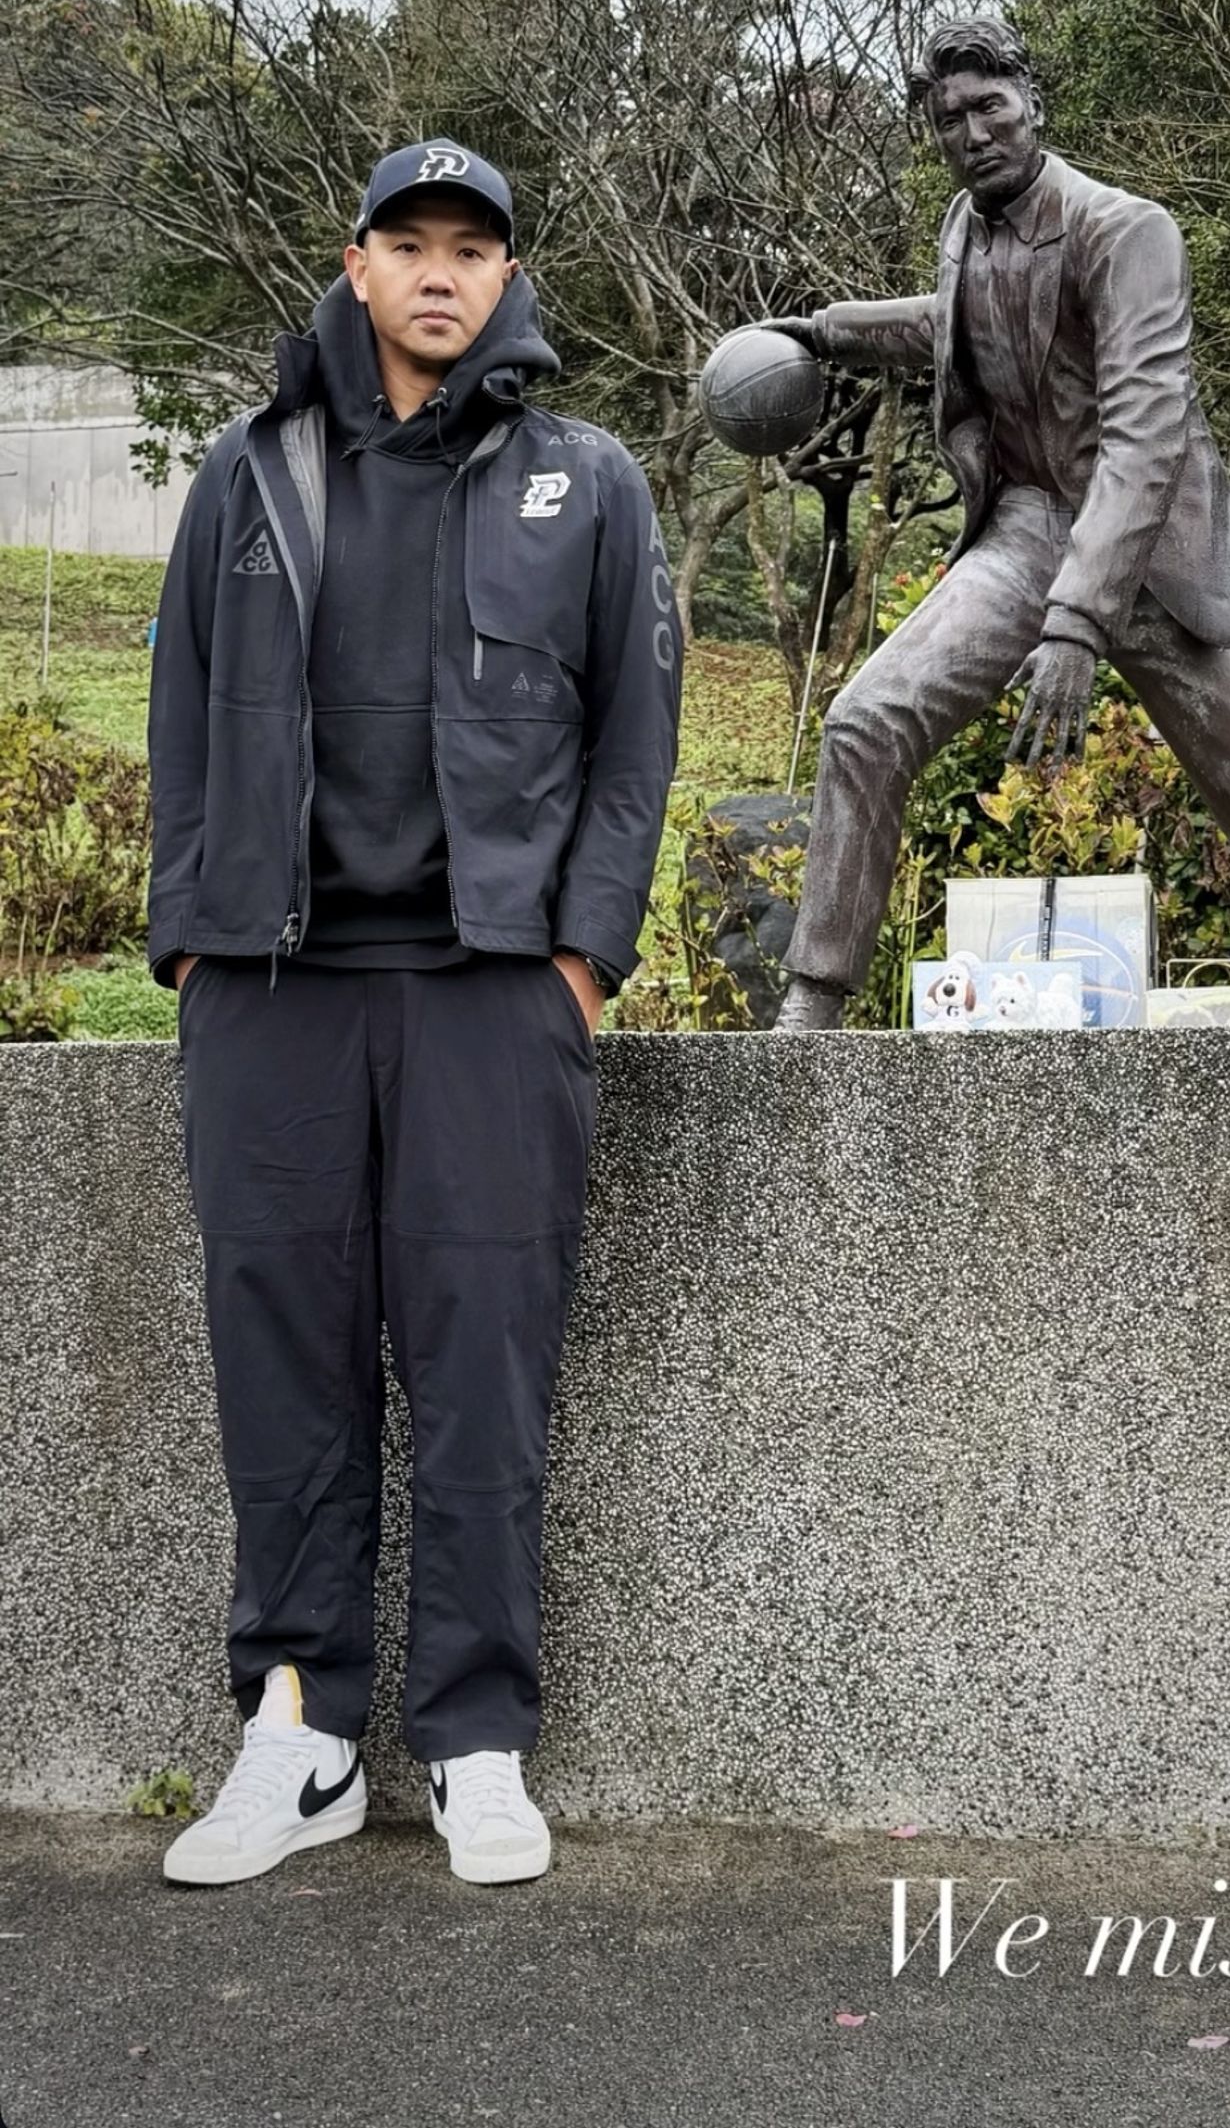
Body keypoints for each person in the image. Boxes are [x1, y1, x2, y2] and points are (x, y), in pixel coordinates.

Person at [150, 140, 682, 1885]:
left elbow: (634, 741)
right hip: (276, 986)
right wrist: (193, 943)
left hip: (487, 988)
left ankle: (473, 1741)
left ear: (507, 276)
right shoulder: (250, 474)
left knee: (481, 1382)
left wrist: (581, 953)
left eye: (474, 248)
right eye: (410, 244)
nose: (442, 273)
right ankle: (296, 1739)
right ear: (359, 262)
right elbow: (178, 712)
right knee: (283, 1386)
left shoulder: (586, 482)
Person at [770, 18, 1230, 1029]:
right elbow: (953, 316)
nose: (971, 131)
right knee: (865, 721)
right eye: (948, 117)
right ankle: (810, 1004)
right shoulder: (966, 225)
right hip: (1028, 526)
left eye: (988, 106)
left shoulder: (1127, 231)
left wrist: (1076, 622)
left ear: (1030, 102)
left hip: (1144, 554)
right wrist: (826, 332)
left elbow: (1144, 438)